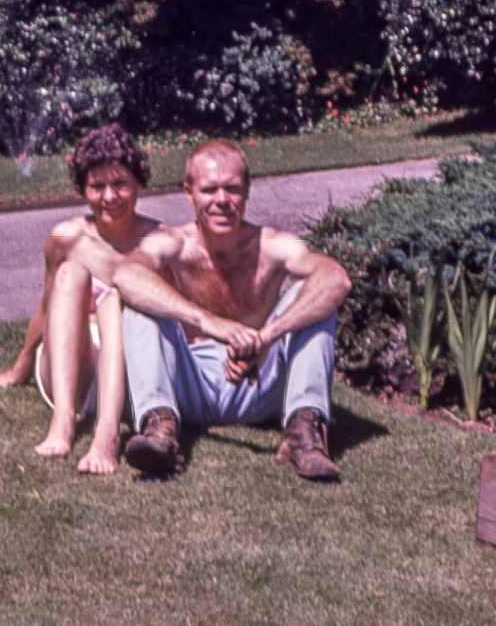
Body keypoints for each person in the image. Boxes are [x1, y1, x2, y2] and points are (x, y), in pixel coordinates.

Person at [112, 139, 352, 480]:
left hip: (259, 385)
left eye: (232, 189)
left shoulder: (272, 244)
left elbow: (336, 279)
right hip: (189, 386)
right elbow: (125, 274)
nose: (222, 201)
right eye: (209, 190)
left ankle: (302, 435)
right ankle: (160, 430)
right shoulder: (173, 244)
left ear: (247, 191)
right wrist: (210, 323)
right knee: (141, 303)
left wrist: (268, 336)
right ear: (189, 192)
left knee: (314, 297)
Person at [0, 124, 160, 473]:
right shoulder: (66, 236)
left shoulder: (160, 240)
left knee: (116, 299)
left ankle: (107, 434)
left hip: (127, 372)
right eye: (97, 186)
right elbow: (46, 307)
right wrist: (19, 368)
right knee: (72, 272)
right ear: (83, 189)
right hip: (70, 369)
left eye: (120, 184)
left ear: (138, 184)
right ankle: (63, 420)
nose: (109, 197)